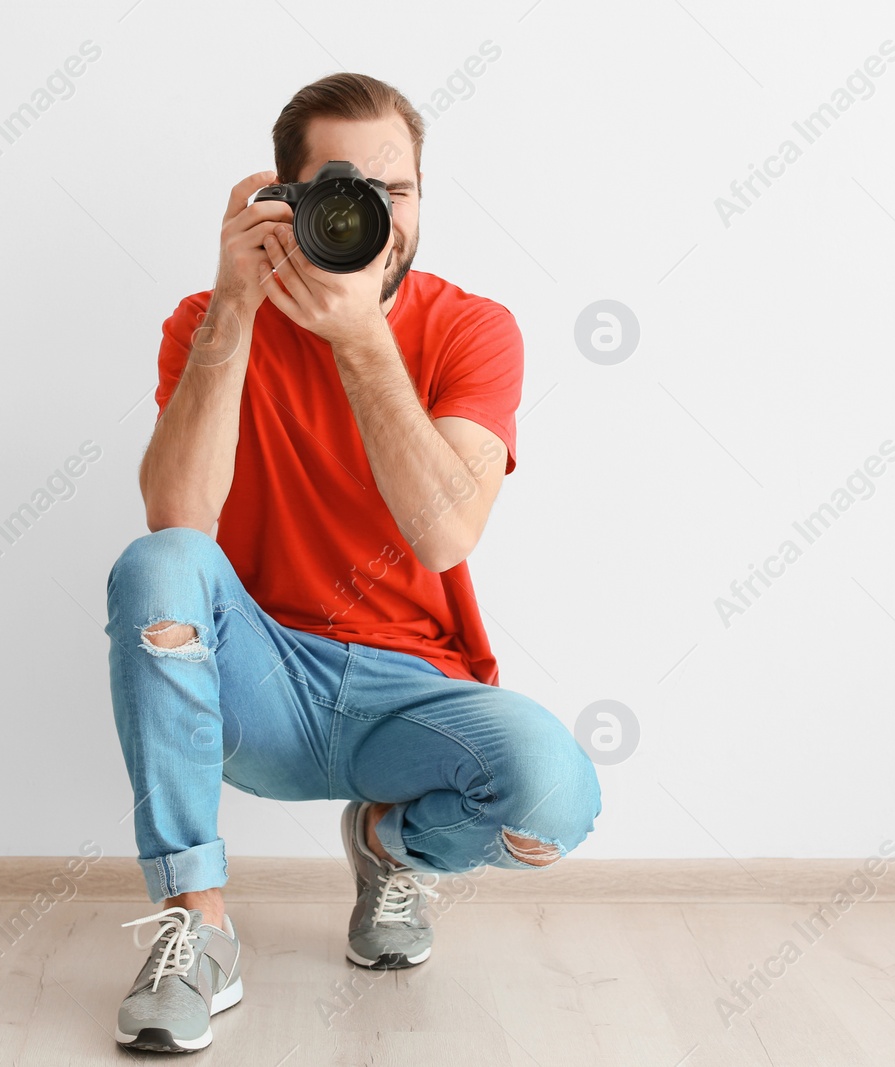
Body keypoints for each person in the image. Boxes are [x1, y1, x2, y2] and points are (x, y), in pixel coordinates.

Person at [104, 71, 602, 1053]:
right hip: (260, 684)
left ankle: (387, 845)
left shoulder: (471, 326)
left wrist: (361, 335)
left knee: (553, 800)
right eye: (339, 185)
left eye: (395, 187)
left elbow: (446, 535)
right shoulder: (207, 320)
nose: (370, 209)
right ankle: (196, 926)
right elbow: (179, 516)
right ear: (285, 199)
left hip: (413, 698)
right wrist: (237, 311)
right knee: (153, 560)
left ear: (418, 196)